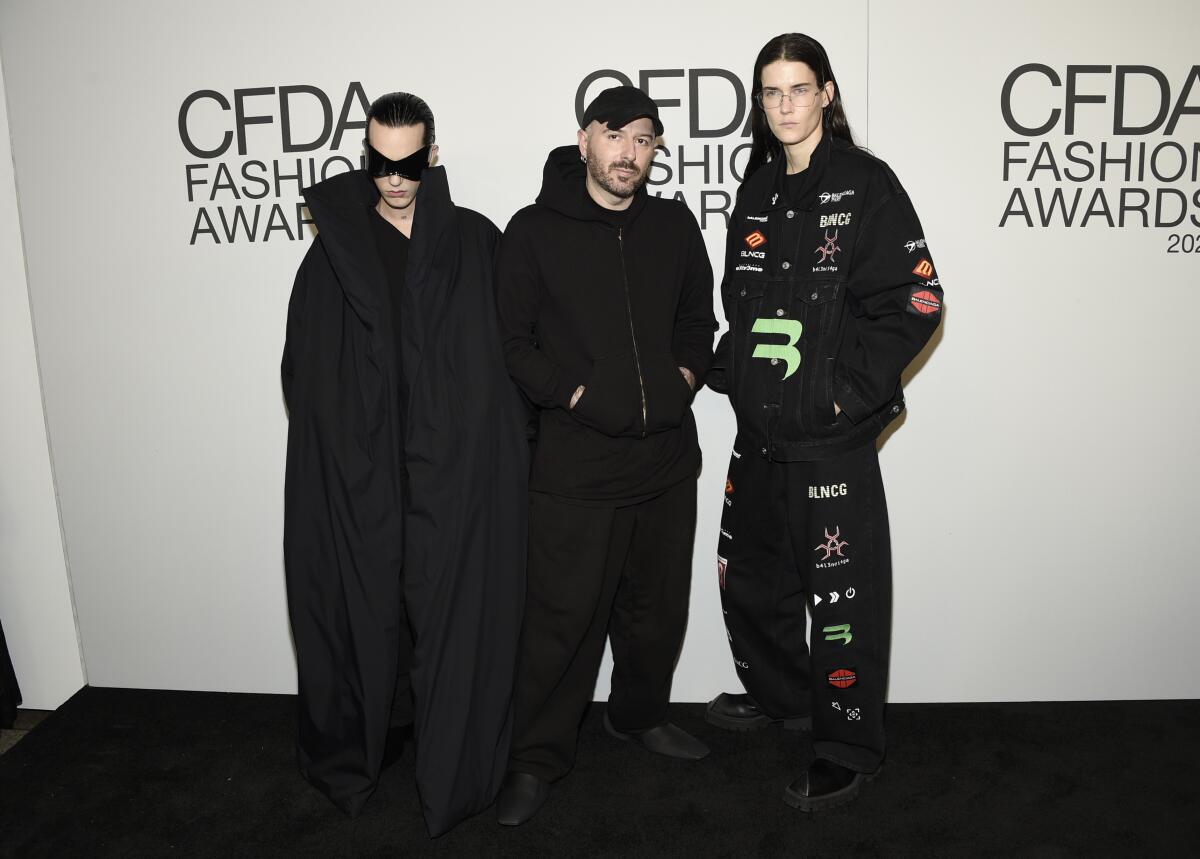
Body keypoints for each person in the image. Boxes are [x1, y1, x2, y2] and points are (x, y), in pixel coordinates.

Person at [705, 33, 944, 812]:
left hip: (829, 442)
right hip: (761, 435)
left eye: (798, 89)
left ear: (828, 94)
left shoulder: (867, 184)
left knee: (842, 604)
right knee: (753, 586)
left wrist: (841, 395)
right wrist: (729, 367)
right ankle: (787, 700)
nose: (783, 106)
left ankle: (847, 742)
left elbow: (916, 303)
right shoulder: (759, 182)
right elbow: (742, 305)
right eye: (770, 92)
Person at [280, 91, 528, 836]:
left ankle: (454, 761)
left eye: (409, 163)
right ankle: (375, 736)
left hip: (452, 470)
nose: (393, 179)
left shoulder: (475, 242)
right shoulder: (332, 254)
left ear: (434, 155)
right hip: (365, 472)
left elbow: (503, 362)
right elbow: (305, 371)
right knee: (367, 604)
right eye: (380, 163)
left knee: (455, 611)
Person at [493, 85, 717, 826]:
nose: (629, 152)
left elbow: (697, 320)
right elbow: (514, 345)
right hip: (576, 470)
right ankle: (535, 759)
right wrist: (584, 399)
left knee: (657, 613)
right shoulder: (531, 230)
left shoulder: (675, 226)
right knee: (561, 623)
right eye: (614, 135)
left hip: (663, 465)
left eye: (644, 139)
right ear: (585, 140)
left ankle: (638, 714)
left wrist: (683, 379)